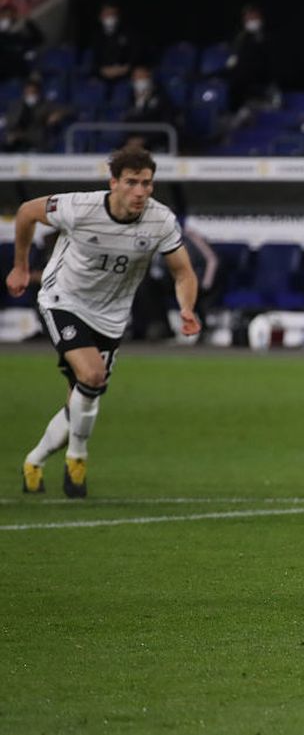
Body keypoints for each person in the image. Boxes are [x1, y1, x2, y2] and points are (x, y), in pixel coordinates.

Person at [5, 146, 201, 497]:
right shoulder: (79, 207)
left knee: (82, 398)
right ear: (114, 183)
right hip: (63, 300)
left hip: (111, 316)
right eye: (132, 183)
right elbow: (25, 212)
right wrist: (21, 265)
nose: (140, 191)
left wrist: (186, 308)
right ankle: (77, 458)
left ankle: (34, 460)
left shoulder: (161, 221)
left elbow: (183, 272)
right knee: (92, 375)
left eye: (147, 183)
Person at [226, 4, 278, 114]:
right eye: (248, 18)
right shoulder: (241, 38)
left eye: (254, 18)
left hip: (262, 80)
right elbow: (235, 60)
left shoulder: (267, 37)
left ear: (260, 18)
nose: (251, 21)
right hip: (243, 82)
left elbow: (268, 64)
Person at [122, 65, 179, 152]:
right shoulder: (130, 99)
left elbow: (167, 123)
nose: (138, 80)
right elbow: (127, 121)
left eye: (141, 76)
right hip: (134, 143)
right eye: (136, 77)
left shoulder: (161, 98)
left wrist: (144, 140)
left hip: (155, 143)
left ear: (148, 77)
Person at [3, 79, 69, 153]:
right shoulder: (16, 105)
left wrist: (57, 114)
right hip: (16, 140)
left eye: (33, 92)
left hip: (36, 139)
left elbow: (69, 109)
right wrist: (13, 133)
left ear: (38, 93)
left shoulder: (45, 105)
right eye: (27, 92)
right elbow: (10, 121)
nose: (30, 95)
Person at [91, 2, 140, 86]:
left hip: (124, 74)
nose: (110, 17)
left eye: (113, 14)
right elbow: (93, 58)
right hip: (102, 75)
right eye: (107, 14)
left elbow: (135, 53)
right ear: (100, 17)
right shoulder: (96, 36)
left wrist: (124, 68)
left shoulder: (129, 33)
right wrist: (101, 70)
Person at [0, 2, 43, 82]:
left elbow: (39, 39)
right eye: (3, 16)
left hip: (20, 79)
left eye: (9, 16)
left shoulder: (19, 38)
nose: (5, 19)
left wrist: (28, 21)